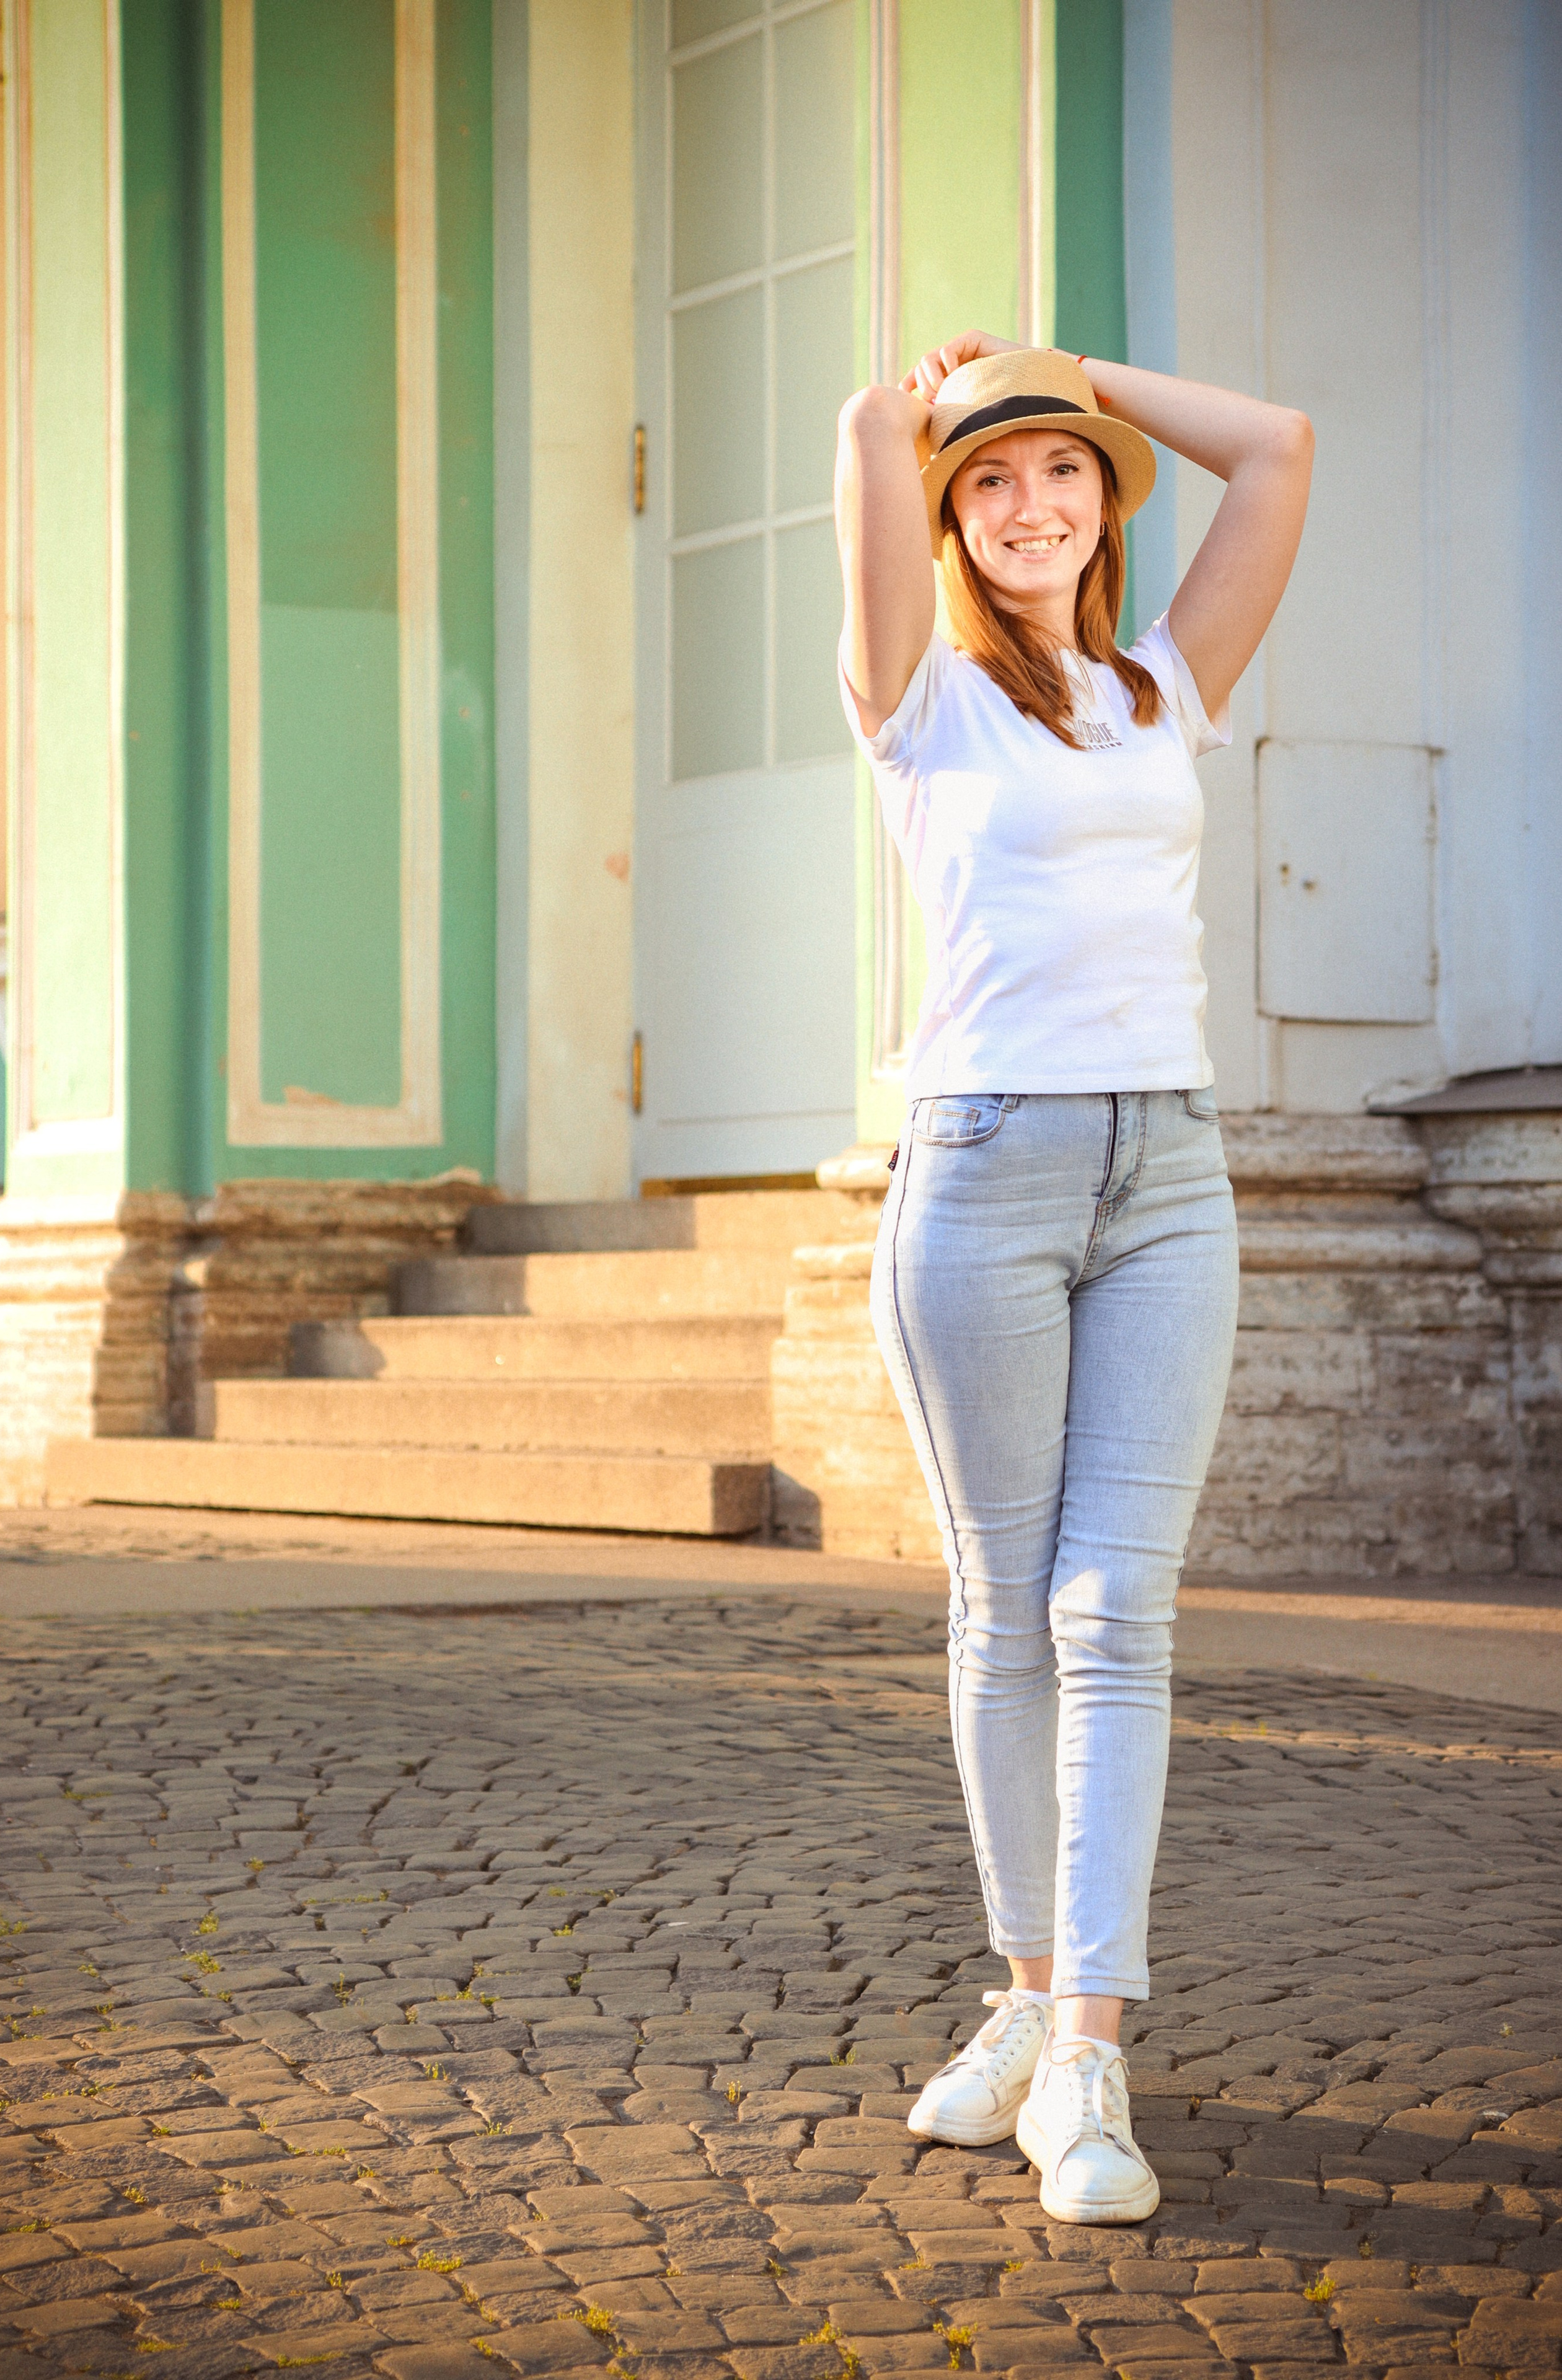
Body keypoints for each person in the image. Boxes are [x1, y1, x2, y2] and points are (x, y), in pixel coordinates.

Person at [833, 334, 1312, 2224]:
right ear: (952, 521)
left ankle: (1088, 2049)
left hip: (1172, 1171)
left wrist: (1070, 371)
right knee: (1007, 1604)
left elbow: (1278, 446)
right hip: (984, 1169)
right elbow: (868, 457)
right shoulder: (919, 698)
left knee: (1121, 1611)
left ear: (1106, 502)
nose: (1030, 504)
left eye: (1063, 471)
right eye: (990, 480)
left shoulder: (1160, 686)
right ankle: (1031, 1997)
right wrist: (905, 412)